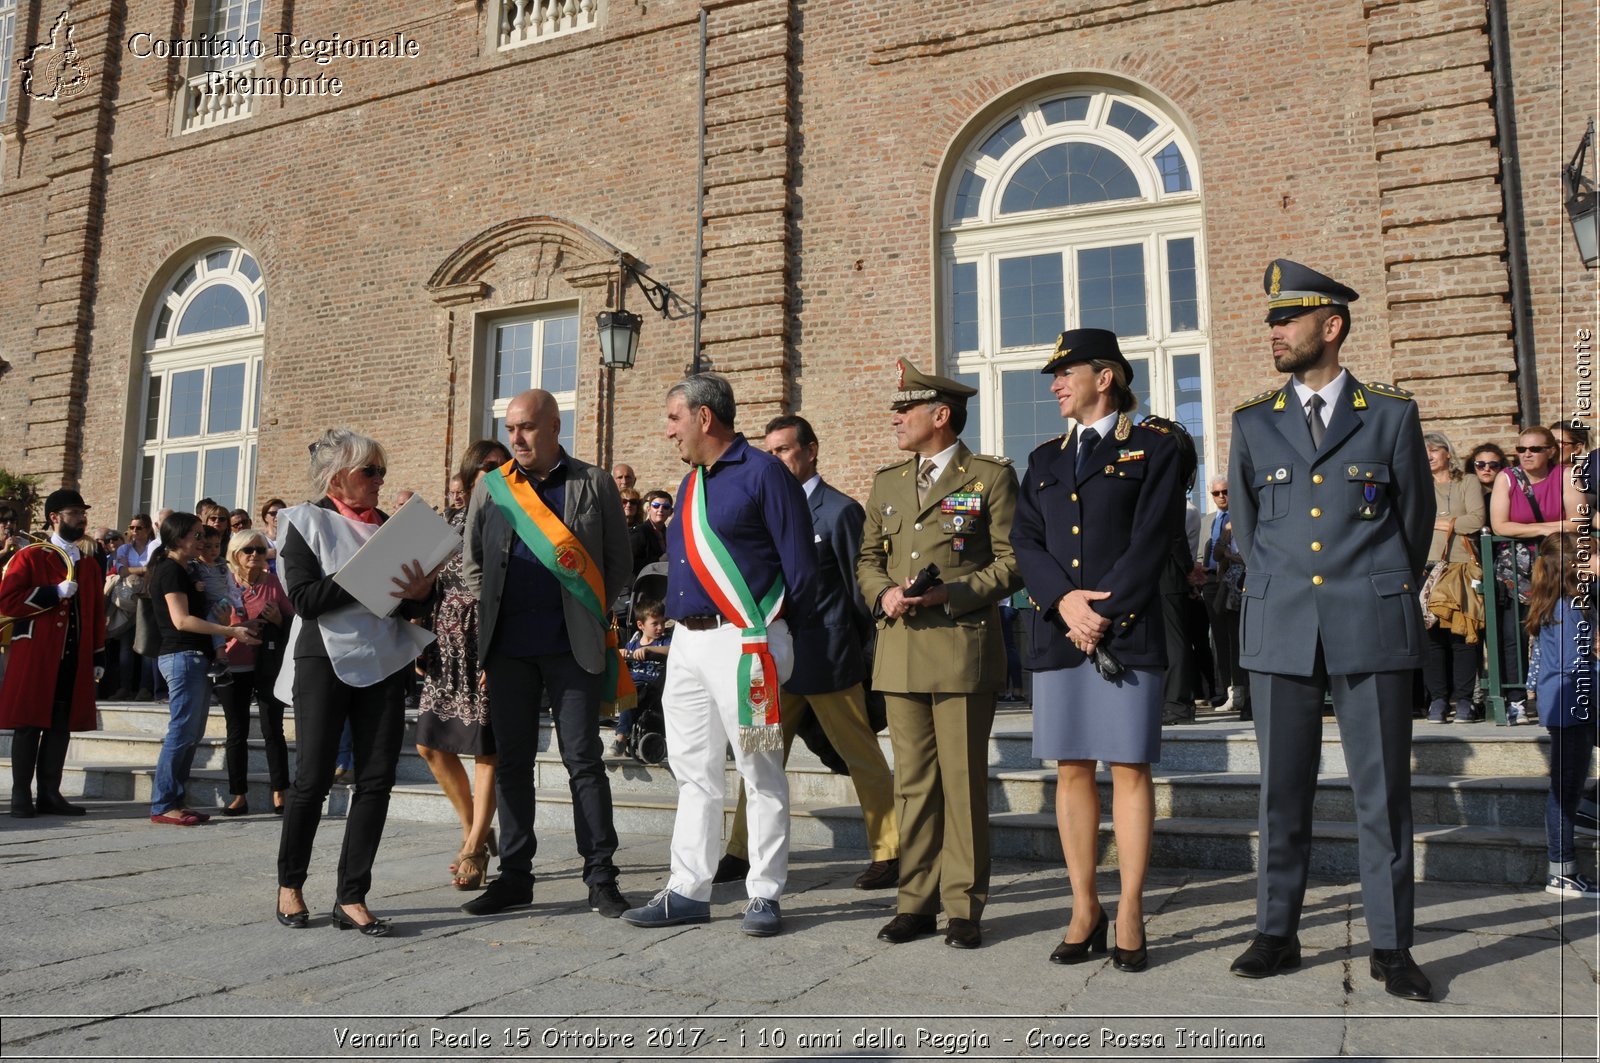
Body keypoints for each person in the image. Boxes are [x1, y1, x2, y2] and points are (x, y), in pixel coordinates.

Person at [1226, 258, 1436, 1001]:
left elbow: (1414, 526)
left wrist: (1368, 587)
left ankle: (1391, 943)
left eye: (1287, 319)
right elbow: (1249, 534)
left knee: (1382, 792)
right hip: (1281, 622)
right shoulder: (1253, 420)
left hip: (1369, 620)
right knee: (1281, 789)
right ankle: (1276, 931)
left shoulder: (1390, 414)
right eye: (1272, 321)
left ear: (1332, 325)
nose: (1274, 332)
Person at [1009, 330, 1184, 971]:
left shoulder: (1155, 449)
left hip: (1126, 633)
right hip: (1061, 635)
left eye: (1065, 372)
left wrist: (1103, 612)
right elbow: (1027, 541)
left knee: (1130, 769)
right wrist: (1065, 604)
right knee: (1072, 769)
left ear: (1104, 377)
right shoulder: (1043, 459)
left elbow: (1154, 537)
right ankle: (1085, 906)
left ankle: (1132, 907)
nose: (1055, 383)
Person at [622, 373, 818, 937]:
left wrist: (773, 639)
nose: (668, 432)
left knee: (758, 769)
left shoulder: (765, 475)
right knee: (692, 771)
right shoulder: (690, 486)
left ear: (705, 418)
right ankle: (687, 888)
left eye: (673, 419)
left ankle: (764, 892)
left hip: (746, 647)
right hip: (686, 645)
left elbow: (801, 570)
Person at [857, 360, 1022, 950]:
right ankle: (915, 902)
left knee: (962, 782)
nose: (896, 419)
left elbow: (1011, 561)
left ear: (940, 415)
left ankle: (964, 907)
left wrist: (954, 593)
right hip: (899, 651)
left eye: (906, 410)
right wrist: (885, 593)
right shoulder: (887, 482)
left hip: (959, 649)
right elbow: (868, 560)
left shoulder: (990, 478)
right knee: (914, 785)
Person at [460, 391, 635, 919]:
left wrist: (584, 611)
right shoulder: (491, 488)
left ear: (556, 426)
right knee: (512, 763)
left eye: (528, 427)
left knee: (583, 761)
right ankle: (515, 875)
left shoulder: (593, 482)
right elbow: (473, 565)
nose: (517, 437)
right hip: (508, 651)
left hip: (571, 649)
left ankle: (601, 875)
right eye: (511, 428)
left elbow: (617, 563)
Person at [713, 414, 900, 892]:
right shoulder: (768, 508)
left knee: (862, 758)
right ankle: (739, 851)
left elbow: (863, 593)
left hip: (828, 660)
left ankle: (890, 851)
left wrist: (865, 657)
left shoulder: (839, 511)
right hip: (772, 660)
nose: (774, 458)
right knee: (757, 756)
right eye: (769, 451)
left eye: (783, 450)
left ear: (810, 450)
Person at [274, 428, 439, 935]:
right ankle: (290, 884)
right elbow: (303, 599)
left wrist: (418, 591)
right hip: (323, 657)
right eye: (371, 471)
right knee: (313, 778)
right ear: (339, 475)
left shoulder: (388, 526)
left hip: (384, 659)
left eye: (382, 471)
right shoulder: (301, 521)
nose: (379, 480)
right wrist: (365, 571)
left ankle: (352, 895)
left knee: (376, 780)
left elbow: (410, 604)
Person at [416, 438, 510, 891]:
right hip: (445, 647)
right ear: (470, 473)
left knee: (485, 748)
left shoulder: (512, 521)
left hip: (486, 642)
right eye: (485, 466)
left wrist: (499, 651)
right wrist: (420, 638)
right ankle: (479, 827)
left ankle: (472, 848)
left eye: (501, 465)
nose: (492, 472)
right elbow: (424, 588)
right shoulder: (447, 523)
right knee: (429, 745)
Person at [148, 511, 260, 827]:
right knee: (182, 731)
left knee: (190, 732)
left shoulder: (185, 570)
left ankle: (173, 801)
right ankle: (164, 803)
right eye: (196, 535)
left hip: (193, 656)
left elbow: (205, 617)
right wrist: (230, 633)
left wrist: (231, 624)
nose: (203, 540)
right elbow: (181, 621)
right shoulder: (170, 570)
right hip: (181, 656)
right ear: (179, 538)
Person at [0, 489, 107, 817]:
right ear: (55, 518)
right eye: (75, 513)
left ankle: (50, 792)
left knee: (60, 726)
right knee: (29, 724)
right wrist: (51, 593)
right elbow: (6, 600)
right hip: (36, 653)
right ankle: (21, 795)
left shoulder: (87, 565)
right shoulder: (31, 556)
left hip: (73, 656)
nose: (82, 518)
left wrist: (98, 656)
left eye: (82, 512)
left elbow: (94, 614)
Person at [1525, 532, 1600, 899]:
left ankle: (1590, 809)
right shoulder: (1569, 608)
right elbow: (1575, 665)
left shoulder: (1559, 602)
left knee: (1567, 789)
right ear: (1574, 565)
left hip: (1569, 704)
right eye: (1593, 556)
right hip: (1573, 706)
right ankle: (1562, 872)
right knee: (1563, 792)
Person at [1489, 425, 1570, 724]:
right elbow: (1500, 525)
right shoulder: (1507, 478)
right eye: (1521, 449)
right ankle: (1517, 700)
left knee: (1561, 628)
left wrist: (1544, 528)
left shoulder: (1565, 475)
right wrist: (1547, 527)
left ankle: (1562, 695)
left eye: (1534, 449)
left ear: (1550, 451)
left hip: (1560, 567)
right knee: (1515, 634)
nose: (1526, 454)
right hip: (1517, 568)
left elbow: (1577, 519)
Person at [217, 528, 293, 815]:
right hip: (233, 664)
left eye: (260, 550)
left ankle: (279, 791)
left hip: (267, 665)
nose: (255, 555)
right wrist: (225, 624)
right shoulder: (225, 585)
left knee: (273, 730)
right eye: (249, 550)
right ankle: (238, 795)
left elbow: (295, 621)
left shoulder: (274, 584)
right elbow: (215, 628)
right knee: (236, 732)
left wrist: (279, 619)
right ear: (235, 554)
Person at [1421, 432, 1486, 725]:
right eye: (1424, 451)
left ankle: (1463, 701)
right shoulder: (1419, 484)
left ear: (1448, 452)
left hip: (1460, 566)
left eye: (1434, 450)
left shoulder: (1467, 482)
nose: (1429, 455)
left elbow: (1476, 520)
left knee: (1463, 635)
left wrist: (1438, 523)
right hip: (1426, 567)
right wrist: (1451, 524)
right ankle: (1437, 700)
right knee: (1432, 636)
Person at [612, 599, 671, 756]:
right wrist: (623, 653)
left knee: (630, 694)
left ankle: (621, 737)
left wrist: (651, 650)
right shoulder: (634, 644)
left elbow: (674, 650)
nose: (660, 627)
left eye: (662, 622)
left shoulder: (664, 641)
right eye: (655, 623)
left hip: (653, 686)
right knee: (626, 691)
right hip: (633, 684)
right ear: (641, 625)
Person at [112, 513, 160, 699]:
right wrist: (143, 570)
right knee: (126, 645)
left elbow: (154, 570)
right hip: (127, 601)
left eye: (138, 528)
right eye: (131, 528)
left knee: (146, 643)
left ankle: (145, 688)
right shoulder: (124, 549)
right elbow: (121, 571)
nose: (134, 531)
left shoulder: (153, 547)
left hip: (147, 599)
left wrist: (133, 569)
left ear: (148, 529)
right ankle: (124, 686)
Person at [630, 490, 672, 577]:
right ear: (648, 509)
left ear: (670, 512)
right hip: (642, 584)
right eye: (656, 506)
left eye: (666, 507)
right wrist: (659, 561)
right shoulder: (640, 532)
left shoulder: (670, 534)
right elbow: (630, 562)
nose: (660, 510)